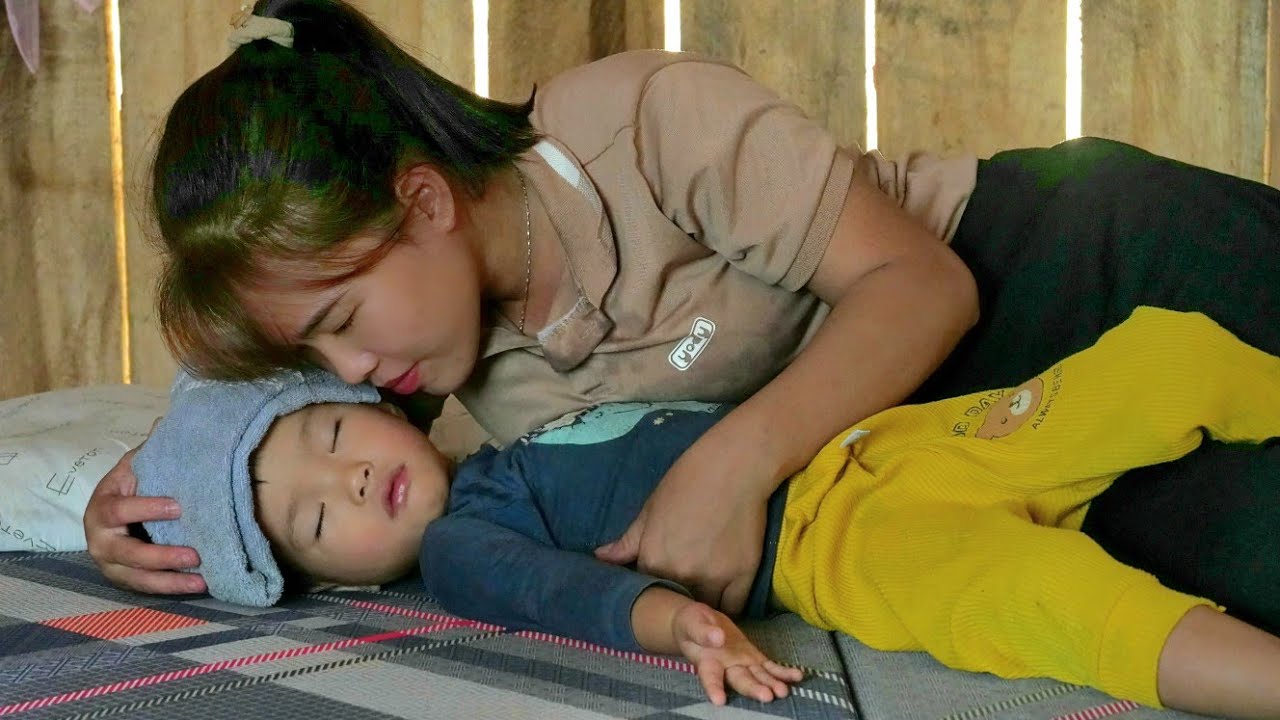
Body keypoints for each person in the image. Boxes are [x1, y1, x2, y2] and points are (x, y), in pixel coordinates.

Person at [86, 0, 1280, 631]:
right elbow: (278, 437)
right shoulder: (446, 381)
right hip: (945, 437)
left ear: (422, 198)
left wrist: (730, 464)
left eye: (343, 314)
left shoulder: (637, 123)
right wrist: (142, 492)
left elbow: (925, 287)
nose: (351, 368)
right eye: (318, 356)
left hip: (1056, 265)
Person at [135, 307, 1280, 717]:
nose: (344, 483)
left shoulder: (508, 427)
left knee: (1158, 357)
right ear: (338, 577)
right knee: (1051, 605)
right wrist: (667, 622)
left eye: (332, 441)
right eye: (320, 523)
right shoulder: (457, 546)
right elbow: (556, 593)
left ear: (368, 404)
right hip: (849, 545)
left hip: (892, 442)